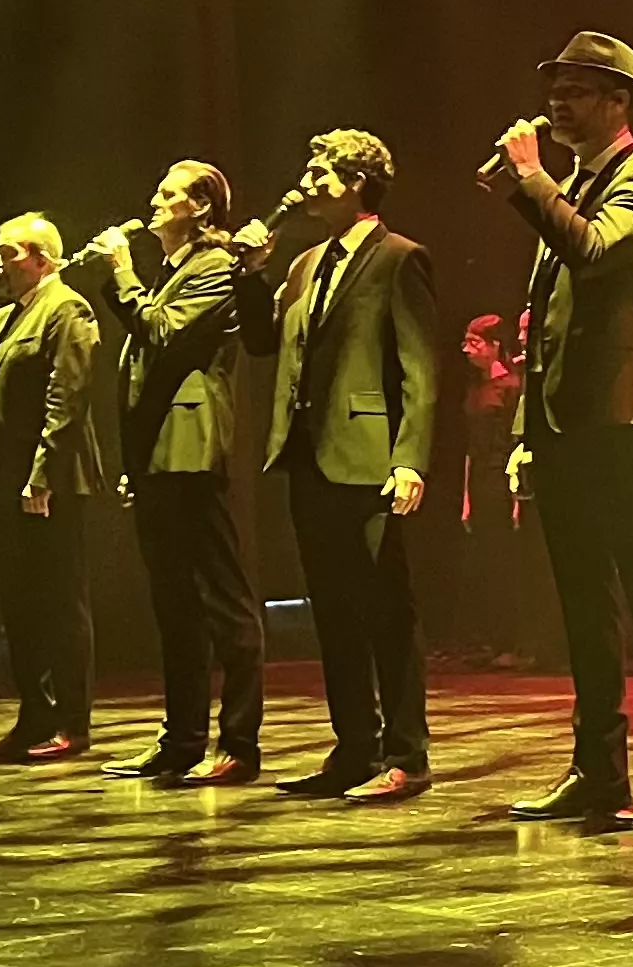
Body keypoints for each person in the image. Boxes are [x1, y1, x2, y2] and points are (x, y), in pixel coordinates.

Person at [483, 31, 633, 827]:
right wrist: (523, 430)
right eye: (556, 85)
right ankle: (597, 768)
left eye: (578, 87)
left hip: (624, 414)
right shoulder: (575, 182)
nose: (558, 100)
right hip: (565, 421)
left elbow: (590, 253)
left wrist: (531, 180)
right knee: (583, 599)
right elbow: (540, 326)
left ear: (619, 102)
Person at [233, 132, 439, 801]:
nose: (307, 179)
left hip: (368, 456)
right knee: (335, 611)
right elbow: (264, 345)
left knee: (387, 609)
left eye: (321, 169)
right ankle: (355, 747)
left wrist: (409, 460)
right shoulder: (304, 262)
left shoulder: (399, 259)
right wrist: (251, 273)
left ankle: (406, 753)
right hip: (308, 454)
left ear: (356, 181)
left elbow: (419, 369)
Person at [71, 163, 261, 785]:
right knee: (174, 604)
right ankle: (180, 740)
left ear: (201, 208)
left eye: (167, 195)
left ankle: (237, 743)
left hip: (190, 451)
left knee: (221, 599)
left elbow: (159, 333)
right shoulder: (175, 270)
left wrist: (119, 270)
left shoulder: (216, 266)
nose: (153, 202)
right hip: (159, 455)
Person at [0, 217, 104, 764]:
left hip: (49, 483)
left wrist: (43, 474)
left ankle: (73, 724)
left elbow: (67, 399)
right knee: (22, 606)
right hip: (7, 481)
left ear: (43, 259)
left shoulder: (67, 309)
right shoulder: (2, 319)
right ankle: (34, 714)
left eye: (7, 253)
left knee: (61, 603)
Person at [451, 313, 527, 666]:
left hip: (502, 479)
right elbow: (469, 446)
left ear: (495, 346)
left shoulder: (511, 386)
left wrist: (515, 496)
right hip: (480, 479)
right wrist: (466, 497)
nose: (467, 350)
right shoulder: (477, 388)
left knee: (505, 559)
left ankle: (512, 642)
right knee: (485, 560)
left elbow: (515, 442)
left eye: (474, 342)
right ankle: (493, 641)